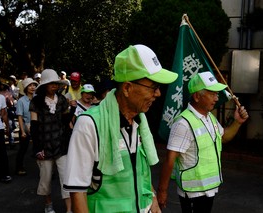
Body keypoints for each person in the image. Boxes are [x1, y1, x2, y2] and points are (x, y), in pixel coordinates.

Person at [63, 44, 178, 213]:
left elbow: (139, 171)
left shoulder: (140, 122)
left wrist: (152, 197)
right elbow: (77, 190)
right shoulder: (89, 124)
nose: (158, 94)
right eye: (154, 87)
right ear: (127, 88)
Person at [157, 71, 249, 213]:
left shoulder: (210, 118)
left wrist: (238, 122)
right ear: (197, 96)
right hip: (193, 192)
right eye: (212, 93)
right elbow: (170, 159)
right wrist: (162, 191)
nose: (216, 97)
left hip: (208, 189)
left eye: (217, 94)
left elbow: (223, 137)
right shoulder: (183, 123)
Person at [29, 69, 71, 213]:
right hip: (44, 146)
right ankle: (48, 204)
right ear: (44, 86)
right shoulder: (36, 102)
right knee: (45, 178)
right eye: (51, 83)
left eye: (55, 83)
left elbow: (67, 123)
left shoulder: (63, 100)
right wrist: (37, 149)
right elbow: (34, 127)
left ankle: (69, 208)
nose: (54, 86)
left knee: (66, 178)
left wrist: (71, 110)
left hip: (61, 145)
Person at [15, 78, 38, 175]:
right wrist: (22, 131)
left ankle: (45, 170)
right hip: (26, 126)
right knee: (23, 148)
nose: (32, 87)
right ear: (25, 88)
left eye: (34, 85)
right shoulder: (21, 101)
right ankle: (19, 167)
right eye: (30, 85)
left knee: (39, 148)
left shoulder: (38, 99)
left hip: (37, 126)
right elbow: (19, 116)